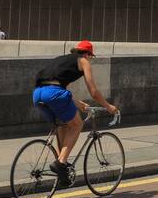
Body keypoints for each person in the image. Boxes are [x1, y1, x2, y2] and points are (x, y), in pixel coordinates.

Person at [31, 41, 118, 188]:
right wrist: (108, 106)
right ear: (87, 54)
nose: (90, 60)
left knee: (63, 124)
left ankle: (60, 167)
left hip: (37, 94)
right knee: (77, 125)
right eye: (91, 57)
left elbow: (54, 85)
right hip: (54, 94)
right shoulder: (83, 61)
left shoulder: (62, 59)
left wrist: (78, 103)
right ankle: (61, 162)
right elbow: (94, 92)